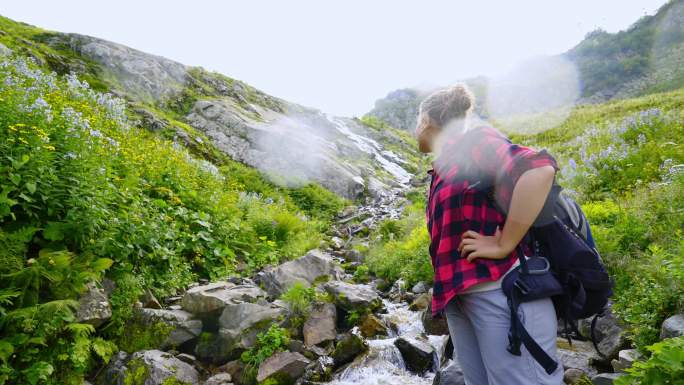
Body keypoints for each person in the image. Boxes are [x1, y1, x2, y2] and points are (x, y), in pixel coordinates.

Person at [416, 84, 563, 385]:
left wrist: (504, 242)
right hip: (463, 297)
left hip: (502, 291)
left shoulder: (475, 142)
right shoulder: (445, 166)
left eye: (416, 121)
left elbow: (538, 170)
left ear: (427, 121)